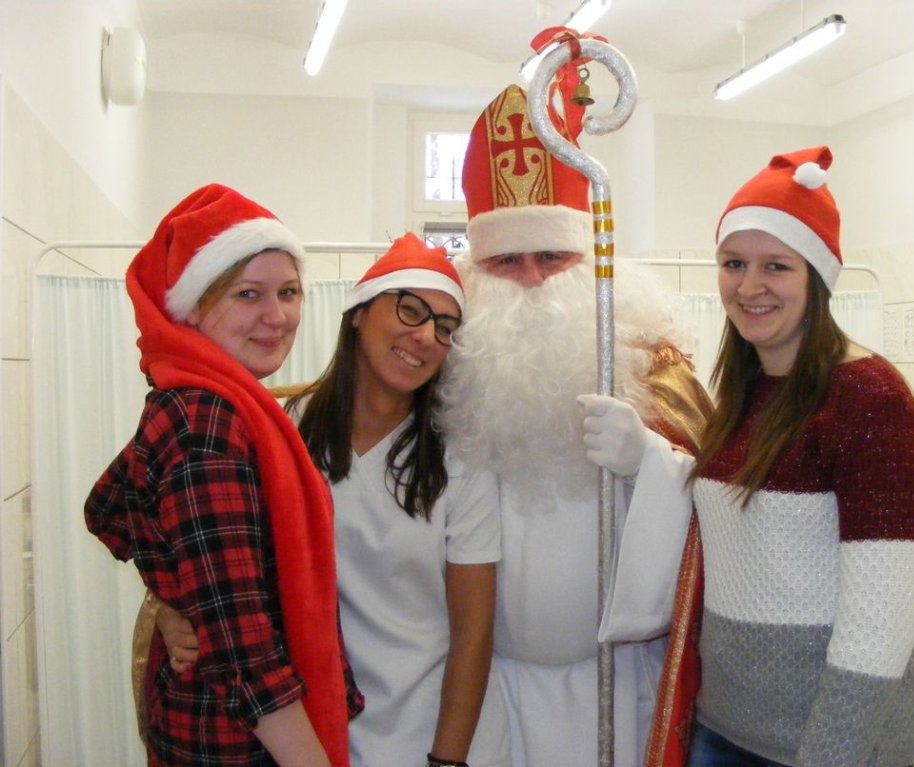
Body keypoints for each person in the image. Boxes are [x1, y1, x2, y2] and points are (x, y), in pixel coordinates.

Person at [590, 146, 914, 767]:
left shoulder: (870, 402)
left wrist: (827, 756)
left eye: (776, 266)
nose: (749, 287)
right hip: (724, 727)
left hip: (824, 745)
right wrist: (644, 457)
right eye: (733, 264)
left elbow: (882, 623)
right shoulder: (746, 390)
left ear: (817, 279)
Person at [436, 63, 714, 766]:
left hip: (617, 689)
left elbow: (721, 502)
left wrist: (647, 460)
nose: (532, 279)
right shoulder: (443, 377)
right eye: (507, 261)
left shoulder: (650, 365)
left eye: (552, 256)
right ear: (475, 273)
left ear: (588, 259)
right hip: (487, 687)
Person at [159, 233, 512, 767]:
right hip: (309, 728)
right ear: (358, 314)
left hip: (437, 731)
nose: (425, 336)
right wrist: (169, 604)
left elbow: (473, 631)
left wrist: (447, 760)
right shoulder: (282, 431)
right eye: (410, 309)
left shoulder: (461, 458)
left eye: (445, 327)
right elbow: (211, 546)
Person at [84, 184, 358, 766]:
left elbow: (108, 506)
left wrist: (173, 596)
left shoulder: (200, 399)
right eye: (247, 294)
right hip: (235, 744)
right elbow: (242, 647)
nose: (277, 316)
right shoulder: (205, 420)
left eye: (288, 292)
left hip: (208, 724)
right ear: (194, 307)